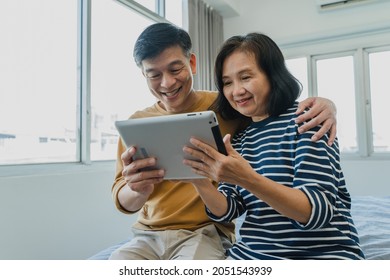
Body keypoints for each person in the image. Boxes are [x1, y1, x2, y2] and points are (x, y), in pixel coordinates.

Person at [109, 22, 338, 260]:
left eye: (175, 69)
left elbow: (272, 111)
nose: (166, 83)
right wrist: (138, 190)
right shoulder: (136, 124)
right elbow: (123, 200)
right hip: (147, 234)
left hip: (206, 232)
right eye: (154, 75)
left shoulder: (227, 108)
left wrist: (326, 104)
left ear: (192, 63)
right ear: (144, 75)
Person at [182, 32, 365, 260]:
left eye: (246, 77)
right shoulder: (239, 138)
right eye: (227, 82)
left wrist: (247, 178)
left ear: (272, 74)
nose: (236, 90)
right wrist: (199, 182)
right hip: (253, 256)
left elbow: (316, 212)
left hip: (320, 256)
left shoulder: (308, 120)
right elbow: (228, 210)